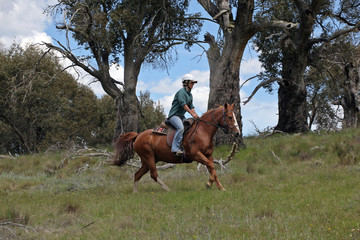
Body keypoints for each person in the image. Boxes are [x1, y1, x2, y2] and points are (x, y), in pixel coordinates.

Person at [168, 74, 199, 156]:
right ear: (186, 83)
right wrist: (192, 114)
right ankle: (175, 148)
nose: (193, 85)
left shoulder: (190, 94)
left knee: (190, 127)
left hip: (181, 117)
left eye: (193, 83)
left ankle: (184, 146)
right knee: (181, 128)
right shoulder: (181, 92)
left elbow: (191, 106)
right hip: (174, 115)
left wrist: (196, 115)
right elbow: (184, 105)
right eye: (192, 83)